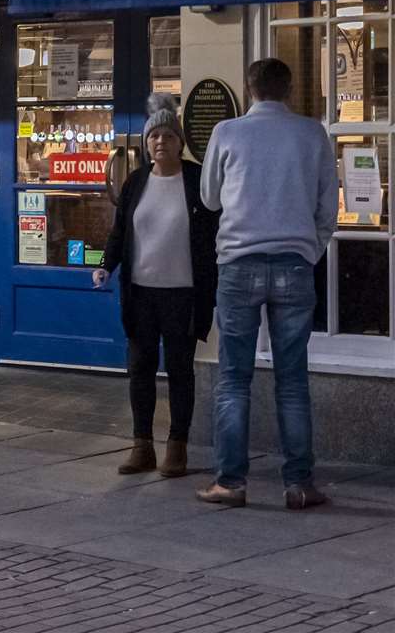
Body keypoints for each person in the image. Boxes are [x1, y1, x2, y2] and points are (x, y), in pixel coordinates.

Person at [197, 58, 337, 510]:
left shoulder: (228, 132)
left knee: (234, 378)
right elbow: (327, 207)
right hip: (294, 263)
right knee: (292, 380)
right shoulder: (312, 134)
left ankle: (230, 482)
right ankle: (299, 482)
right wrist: (309, 250)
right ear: (290, 88)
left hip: (238, 262)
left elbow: (209, 197)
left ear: (249, 88)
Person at [97, 94, 220, 478]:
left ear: (179, 141)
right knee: (141, 368)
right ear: (146, 143)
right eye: (154, 137)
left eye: (168, 136)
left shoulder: (197, 180)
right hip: (141, 292)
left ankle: (177, 446)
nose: (160, 143)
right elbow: (120, 233)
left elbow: (215, 231)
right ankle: (142, 445)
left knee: (181, 370)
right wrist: (106, 265)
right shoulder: (136, 182)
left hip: (183, 293)